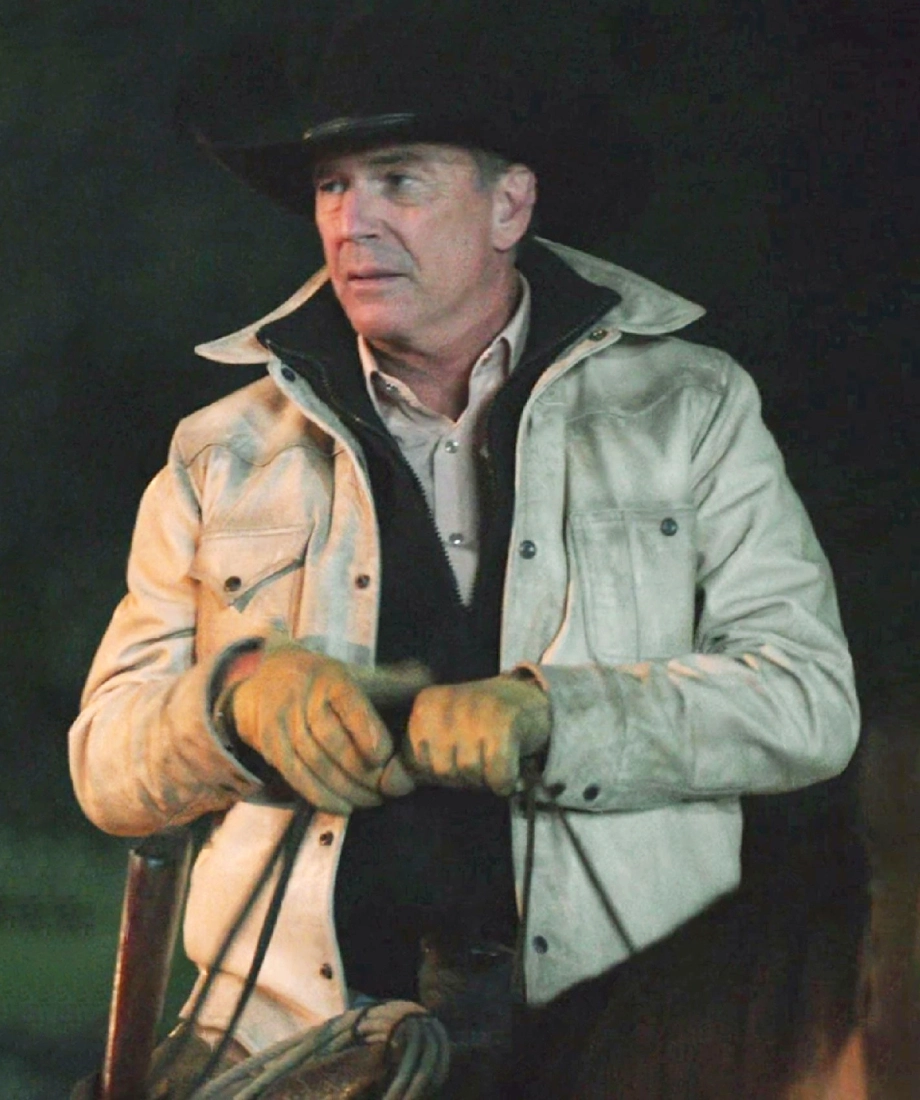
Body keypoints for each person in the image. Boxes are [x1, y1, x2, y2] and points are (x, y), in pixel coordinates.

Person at [68, 4, 859, 1084]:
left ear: (509, 204)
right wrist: (232, 698)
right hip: (297, 1043)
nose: (352, 223)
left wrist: (551, 715)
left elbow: (809, 701)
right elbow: (106, 764)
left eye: (398, 178)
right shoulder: (222, 449)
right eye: (330, 187)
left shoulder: (688, 408)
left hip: (623, 1036)